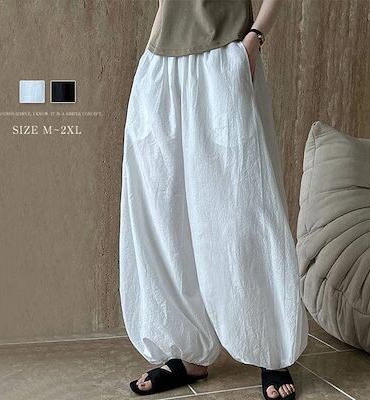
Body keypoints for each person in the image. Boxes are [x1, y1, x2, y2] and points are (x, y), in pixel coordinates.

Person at [118, 0, 308, 398]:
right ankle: (188, 352)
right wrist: (152, 54)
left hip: (224, 57)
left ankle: (271, 349)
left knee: (243, 210)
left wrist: (254, 39)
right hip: (160, 64)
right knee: (163, 215)